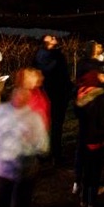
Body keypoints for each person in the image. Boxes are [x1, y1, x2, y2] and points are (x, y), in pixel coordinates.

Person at [0, 68, 50, 207]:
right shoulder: (32, 114)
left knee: (1, 206)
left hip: (3, 166)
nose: (38, 76)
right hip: (23, 166)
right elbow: (42, 145)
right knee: (19, 206)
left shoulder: (1, 111)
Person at [75, 68, 104, 207]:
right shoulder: (101, 98)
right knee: (95, 176)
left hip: (84, 140)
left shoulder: (81, 96)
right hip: (98, 140)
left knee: (86, 175)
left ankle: (82, 204)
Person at [32, 33, 72, 165]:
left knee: (53, 125)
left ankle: (50, 153)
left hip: (56, 93)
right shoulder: (48, 56)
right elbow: (50, 72)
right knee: (53, 125)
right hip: (53, 93)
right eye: (51, 37)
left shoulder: (52, 55)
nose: (54, 38)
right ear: (45, 42)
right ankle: (52, 154)